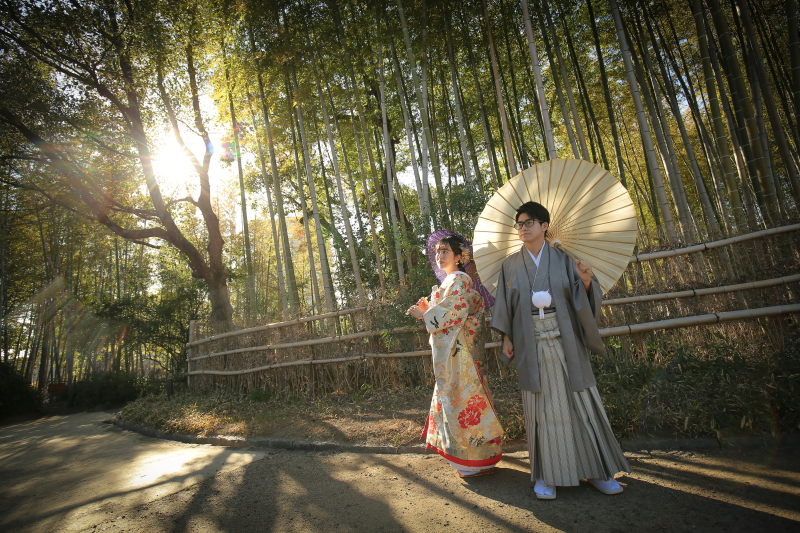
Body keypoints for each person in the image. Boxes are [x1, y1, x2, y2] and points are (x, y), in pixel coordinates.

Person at [490, 201, 630, 499]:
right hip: (530, 341)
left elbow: (583, 299)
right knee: (540, 409)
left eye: (529, 222)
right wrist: (506, 338)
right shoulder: (510, 265)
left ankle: (598, 470)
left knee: (581, 402)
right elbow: (505, 306)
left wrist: (587, 281)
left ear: (545, 226)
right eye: (519, 224)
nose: (523, 228)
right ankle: (546, 475)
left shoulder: (566, 259)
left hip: (565, 337)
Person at [407, 232, 503, 478]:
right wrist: (429, 310)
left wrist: (426, 315)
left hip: (462, 355)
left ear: (459, 257)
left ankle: (473, 460)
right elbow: (450, 313)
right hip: (461, 352)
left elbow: (456, 312)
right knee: (466, 399)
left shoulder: (458, 281)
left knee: (464, 400)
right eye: (437, 252)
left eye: (445, 251)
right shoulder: (452, 281)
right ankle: (476, 458)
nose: (439, 256)